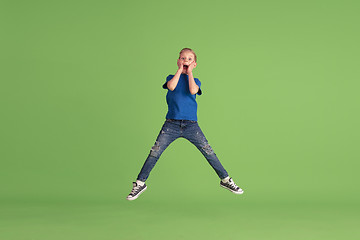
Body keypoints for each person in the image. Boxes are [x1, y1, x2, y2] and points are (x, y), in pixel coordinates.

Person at [126, 48, 244, 201]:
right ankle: (140, 183)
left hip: (191, 125)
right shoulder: (171, 77)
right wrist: (180, 70)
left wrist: (189, 73)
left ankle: (226, 180)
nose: (185, 61)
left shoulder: (195, 81)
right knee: (155, 152)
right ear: (178, 61)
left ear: (194, 64)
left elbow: (193, 90)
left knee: (208, 151)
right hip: (171, 124)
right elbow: (171, 87)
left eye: (189, 59)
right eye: (182, 58)